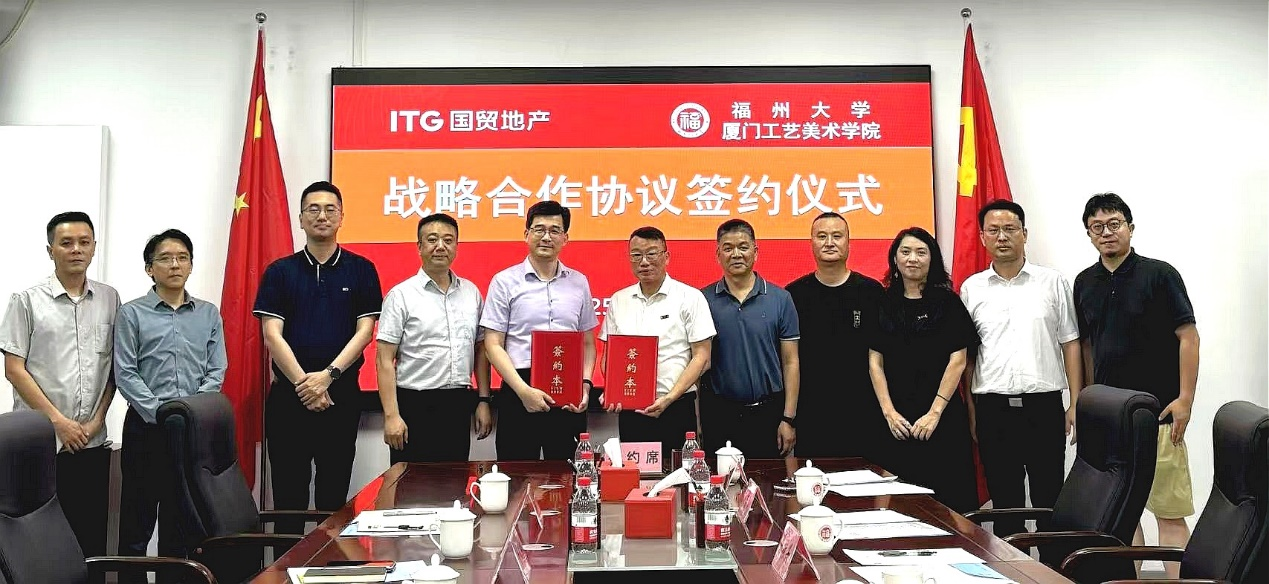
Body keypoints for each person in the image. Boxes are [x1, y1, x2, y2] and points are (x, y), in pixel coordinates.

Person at [1073, 193, 1199, 577]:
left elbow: (1188, 337)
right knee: (1120, 516)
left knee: (1169, 513)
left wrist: (1185, 400)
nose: (1106, 232)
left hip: (1159, 415)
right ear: (1089, 235)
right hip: (1111, 420)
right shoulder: (1084, 282)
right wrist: (1088, 401)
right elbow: (1087, 347)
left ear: (1130, 227)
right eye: (1097, 227)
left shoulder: (1160, 275)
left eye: (1114, 224)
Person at [253, 181, 382, 526]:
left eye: (329, 209)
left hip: (340, 397)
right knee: (288, 502)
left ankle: (329, 561)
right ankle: (285, 563)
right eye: (313, 209)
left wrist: (327, 377)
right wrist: (305, 385)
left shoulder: (362, 269)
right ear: (300, 219)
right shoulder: (280, 272)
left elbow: (365, 332)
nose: (321, 216)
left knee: (333, 502)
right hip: (288, 400)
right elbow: (271, 335)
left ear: (341, 217)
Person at [0, 212, 119, 562]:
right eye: (66, 243)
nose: (76, 249)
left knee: (91, 543)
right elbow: (14, 370)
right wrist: (58, 422)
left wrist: (98, 420)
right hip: (42, 445)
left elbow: (114, 367)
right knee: (42, 548)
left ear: (94, 248)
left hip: (92, 443)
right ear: (50, 250)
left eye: (84, 242)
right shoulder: (26, 300)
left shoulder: (110, 299)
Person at [960, 200, 1081, 537]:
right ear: (983, 237)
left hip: (1043, 407)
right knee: (1005, 504)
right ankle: (1012, 565)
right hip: (993, 408)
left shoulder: (1052, 282)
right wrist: (972, 410)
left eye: (1010, 229)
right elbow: (968, 356)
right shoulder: (972, 288)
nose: (1002, 237)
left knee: (1049, 500)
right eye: (994, 230)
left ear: (1024, 234)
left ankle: (1053, 565)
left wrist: (1075, 402)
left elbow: (1070, 343)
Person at [114, 229, 226, 580]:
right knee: (136, 525)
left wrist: (190, 412)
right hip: (146, 430)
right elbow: (125, 372)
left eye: (182, 257)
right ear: (150, 268)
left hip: (191, 434)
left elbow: (216, 370)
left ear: (191, 265)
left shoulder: (208, 313)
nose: (175, 264)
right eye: (165, 258)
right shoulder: (131, 313)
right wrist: (161, 413)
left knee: (179, 528)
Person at [868, 227, 978, 513]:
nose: (912, 259)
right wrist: (889, 413)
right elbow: (875, 361)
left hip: (941, 418)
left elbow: (958, 360)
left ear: (932, 259)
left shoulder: (948, 302)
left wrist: (934, 413)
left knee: (950, 508)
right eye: (905, 252)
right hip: (896, 422)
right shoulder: (882, 303)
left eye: (921, 252)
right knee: (897, 507)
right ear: (895, 259)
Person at [481, 201, 598, 461]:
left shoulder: (579, 282)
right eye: (539, 229)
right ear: (526, 234)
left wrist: (585, 385)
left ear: (565, 238)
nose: (546, 237)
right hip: (519, 388)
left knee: (569, 474)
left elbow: (588, 344)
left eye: (555, 230)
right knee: (518, 475)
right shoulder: (504, 281)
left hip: (568, 392)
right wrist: (523, 391)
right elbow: (492, 344)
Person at [377, 213, 491, 463]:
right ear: (419, 246)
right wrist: (391, 416)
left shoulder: (471, 293)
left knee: (453, 482)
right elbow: (384, 359)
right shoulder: (401, 295)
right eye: (432, 240)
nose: (441, 246)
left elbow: (481, 350)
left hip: (457, 404)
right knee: (408, 483)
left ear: (456, 246)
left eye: (448, 240)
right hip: (413, 403)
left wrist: (483, 400)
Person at [600, 226, 715, 462]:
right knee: (636, 476)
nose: (644, 262)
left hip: (676, 407)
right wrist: (612, 391)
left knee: (680, 475)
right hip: (631, 410)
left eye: (651, 254)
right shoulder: (619, 300)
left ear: (666, 256)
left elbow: (702, 356)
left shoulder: (690, 297)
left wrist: (670, 398)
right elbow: (609, 356)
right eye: (636, 255)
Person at [786, 212, 884, 460]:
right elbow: (788, 360)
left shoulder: (872, 292)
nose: (829, 242)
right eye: (822, 236)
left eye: (837, 236)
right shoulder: (794, 295)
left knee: (864, 481)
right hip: (812, 413)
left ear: (849, 243)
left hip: (864, 411)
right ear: (811, 243)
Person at [699, 219, 800, 460]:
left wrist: (788, 418)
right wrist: (698, 423)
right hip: (719, 414)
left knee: (769, 481)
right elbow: (697, 363)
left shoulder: (780, 299)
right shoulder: (702, 300)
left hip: (768, 414)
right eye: (728, 248)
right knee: (720, 480)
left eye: (743, 247)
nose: (736, 254)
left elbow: (791, 362)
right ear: (718, 254)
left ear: (755, 251)